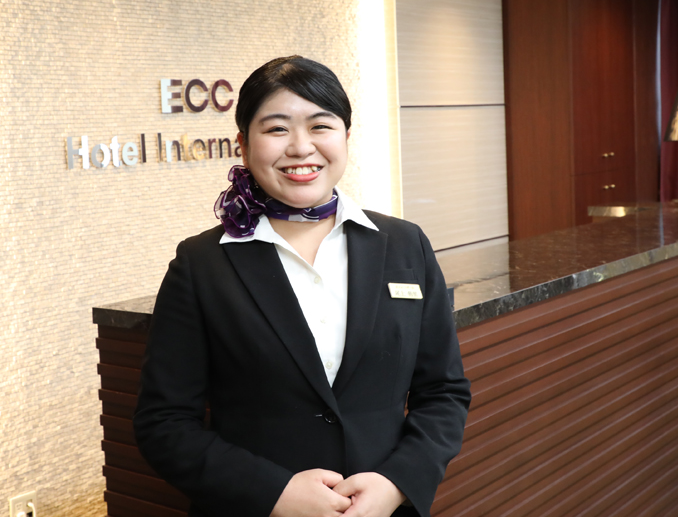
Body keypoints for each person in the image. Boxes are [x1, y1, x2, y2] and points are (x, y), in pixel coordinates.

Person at [133, 56, 470, 517]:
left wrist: (397, 482)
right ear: (243, 144)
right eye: (276, 129)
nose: (301, 147)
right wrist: (274, 493)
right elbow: (164, 423)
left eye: (320, 126)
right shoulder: (201, 264)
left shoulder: (404, 244)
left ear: (346, 136)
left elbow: (444, 392)